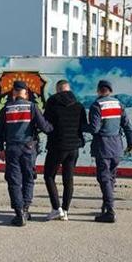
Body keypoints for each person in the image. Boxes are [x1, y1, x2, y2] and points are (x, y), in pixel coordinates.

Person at [0, 80, 52, 227]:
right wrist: (55, 128)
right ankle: (25, 209)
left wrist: (1, 149)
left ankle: (19, 213)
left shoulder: (6, 108)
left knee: (14, 180)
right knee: (28, 178)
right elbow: (44, 127)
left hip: (12, 149)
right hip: (28, 148)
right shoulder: (32, 107)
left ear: (14, 93)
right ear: (25, 93)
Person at [85, 79, 132, 223]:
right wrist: (131, 142)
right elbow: (127, 125)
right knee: (111, 178)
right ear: (110, 90)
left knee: (104, 178)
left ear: (98, 90)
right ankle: (106, 206)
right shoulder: (119, 104)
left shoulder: (97, 105)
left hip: (103, 147)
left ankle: (110, 211)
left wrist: (81, 126)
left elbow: (94, 129)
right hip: (117, 147)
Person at [42, 79, 87, 221]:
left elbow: (45, 123)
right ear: (69, 89)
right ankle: (66, 210)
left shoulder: (52, 102)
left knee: (49, 176)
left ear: (57, 90)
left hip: (57, 146)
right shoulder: (79, 106)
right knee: (68, 179)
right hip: (74, 147)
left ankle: (56, 208)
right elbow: (83, 126)